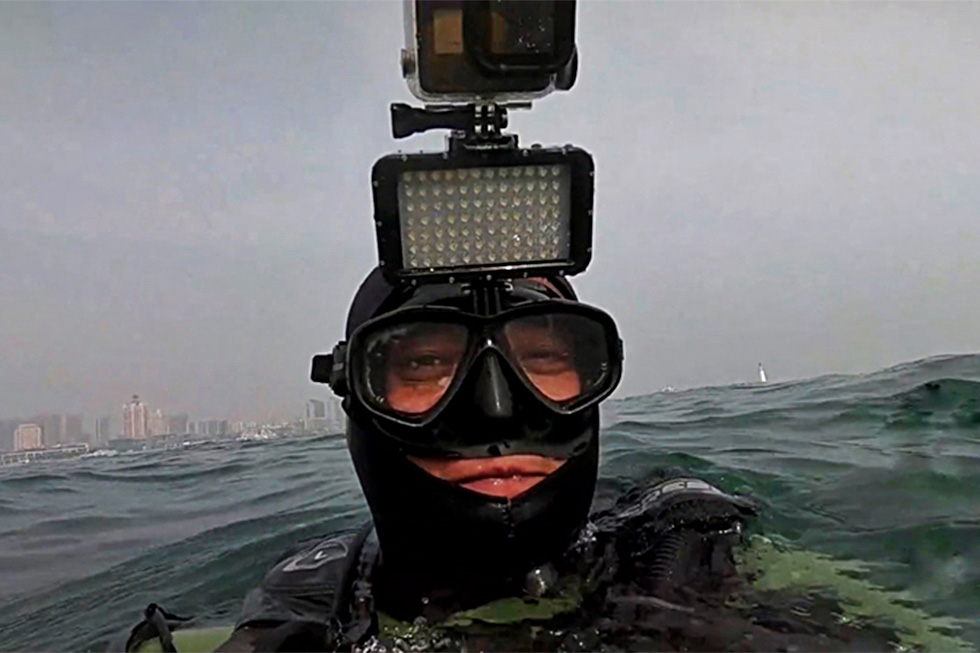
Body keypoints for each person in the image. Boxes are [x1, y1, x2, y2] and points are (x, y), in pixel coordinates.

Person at [118, 267, 968, 652]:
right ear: (357, 395)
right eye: (425, 363)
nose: (497, 407)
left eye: (546, 356)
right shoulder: (312, 602)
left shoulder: (680, 540)